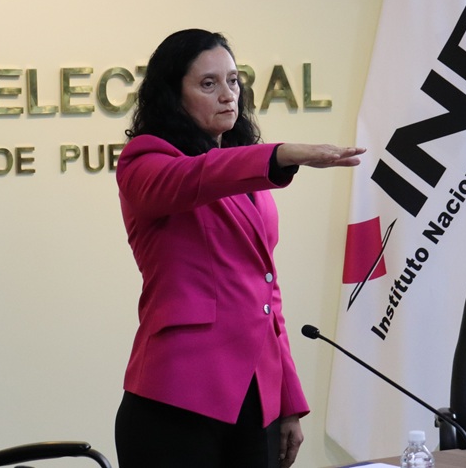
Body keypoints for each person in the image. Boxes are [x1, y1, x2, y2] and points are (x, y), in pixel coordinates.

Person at [113, 29, 364, 468]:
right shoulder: (144, 161)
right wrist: (282, 153)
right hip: (177, 397)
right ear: (174, 96)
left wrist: (288, 400)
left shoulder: (244, 169)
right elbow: (198, 177)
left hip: (256, 399)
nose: (228, 95)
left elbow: (266, 292)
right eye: (208, 84)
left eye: (233, 80)